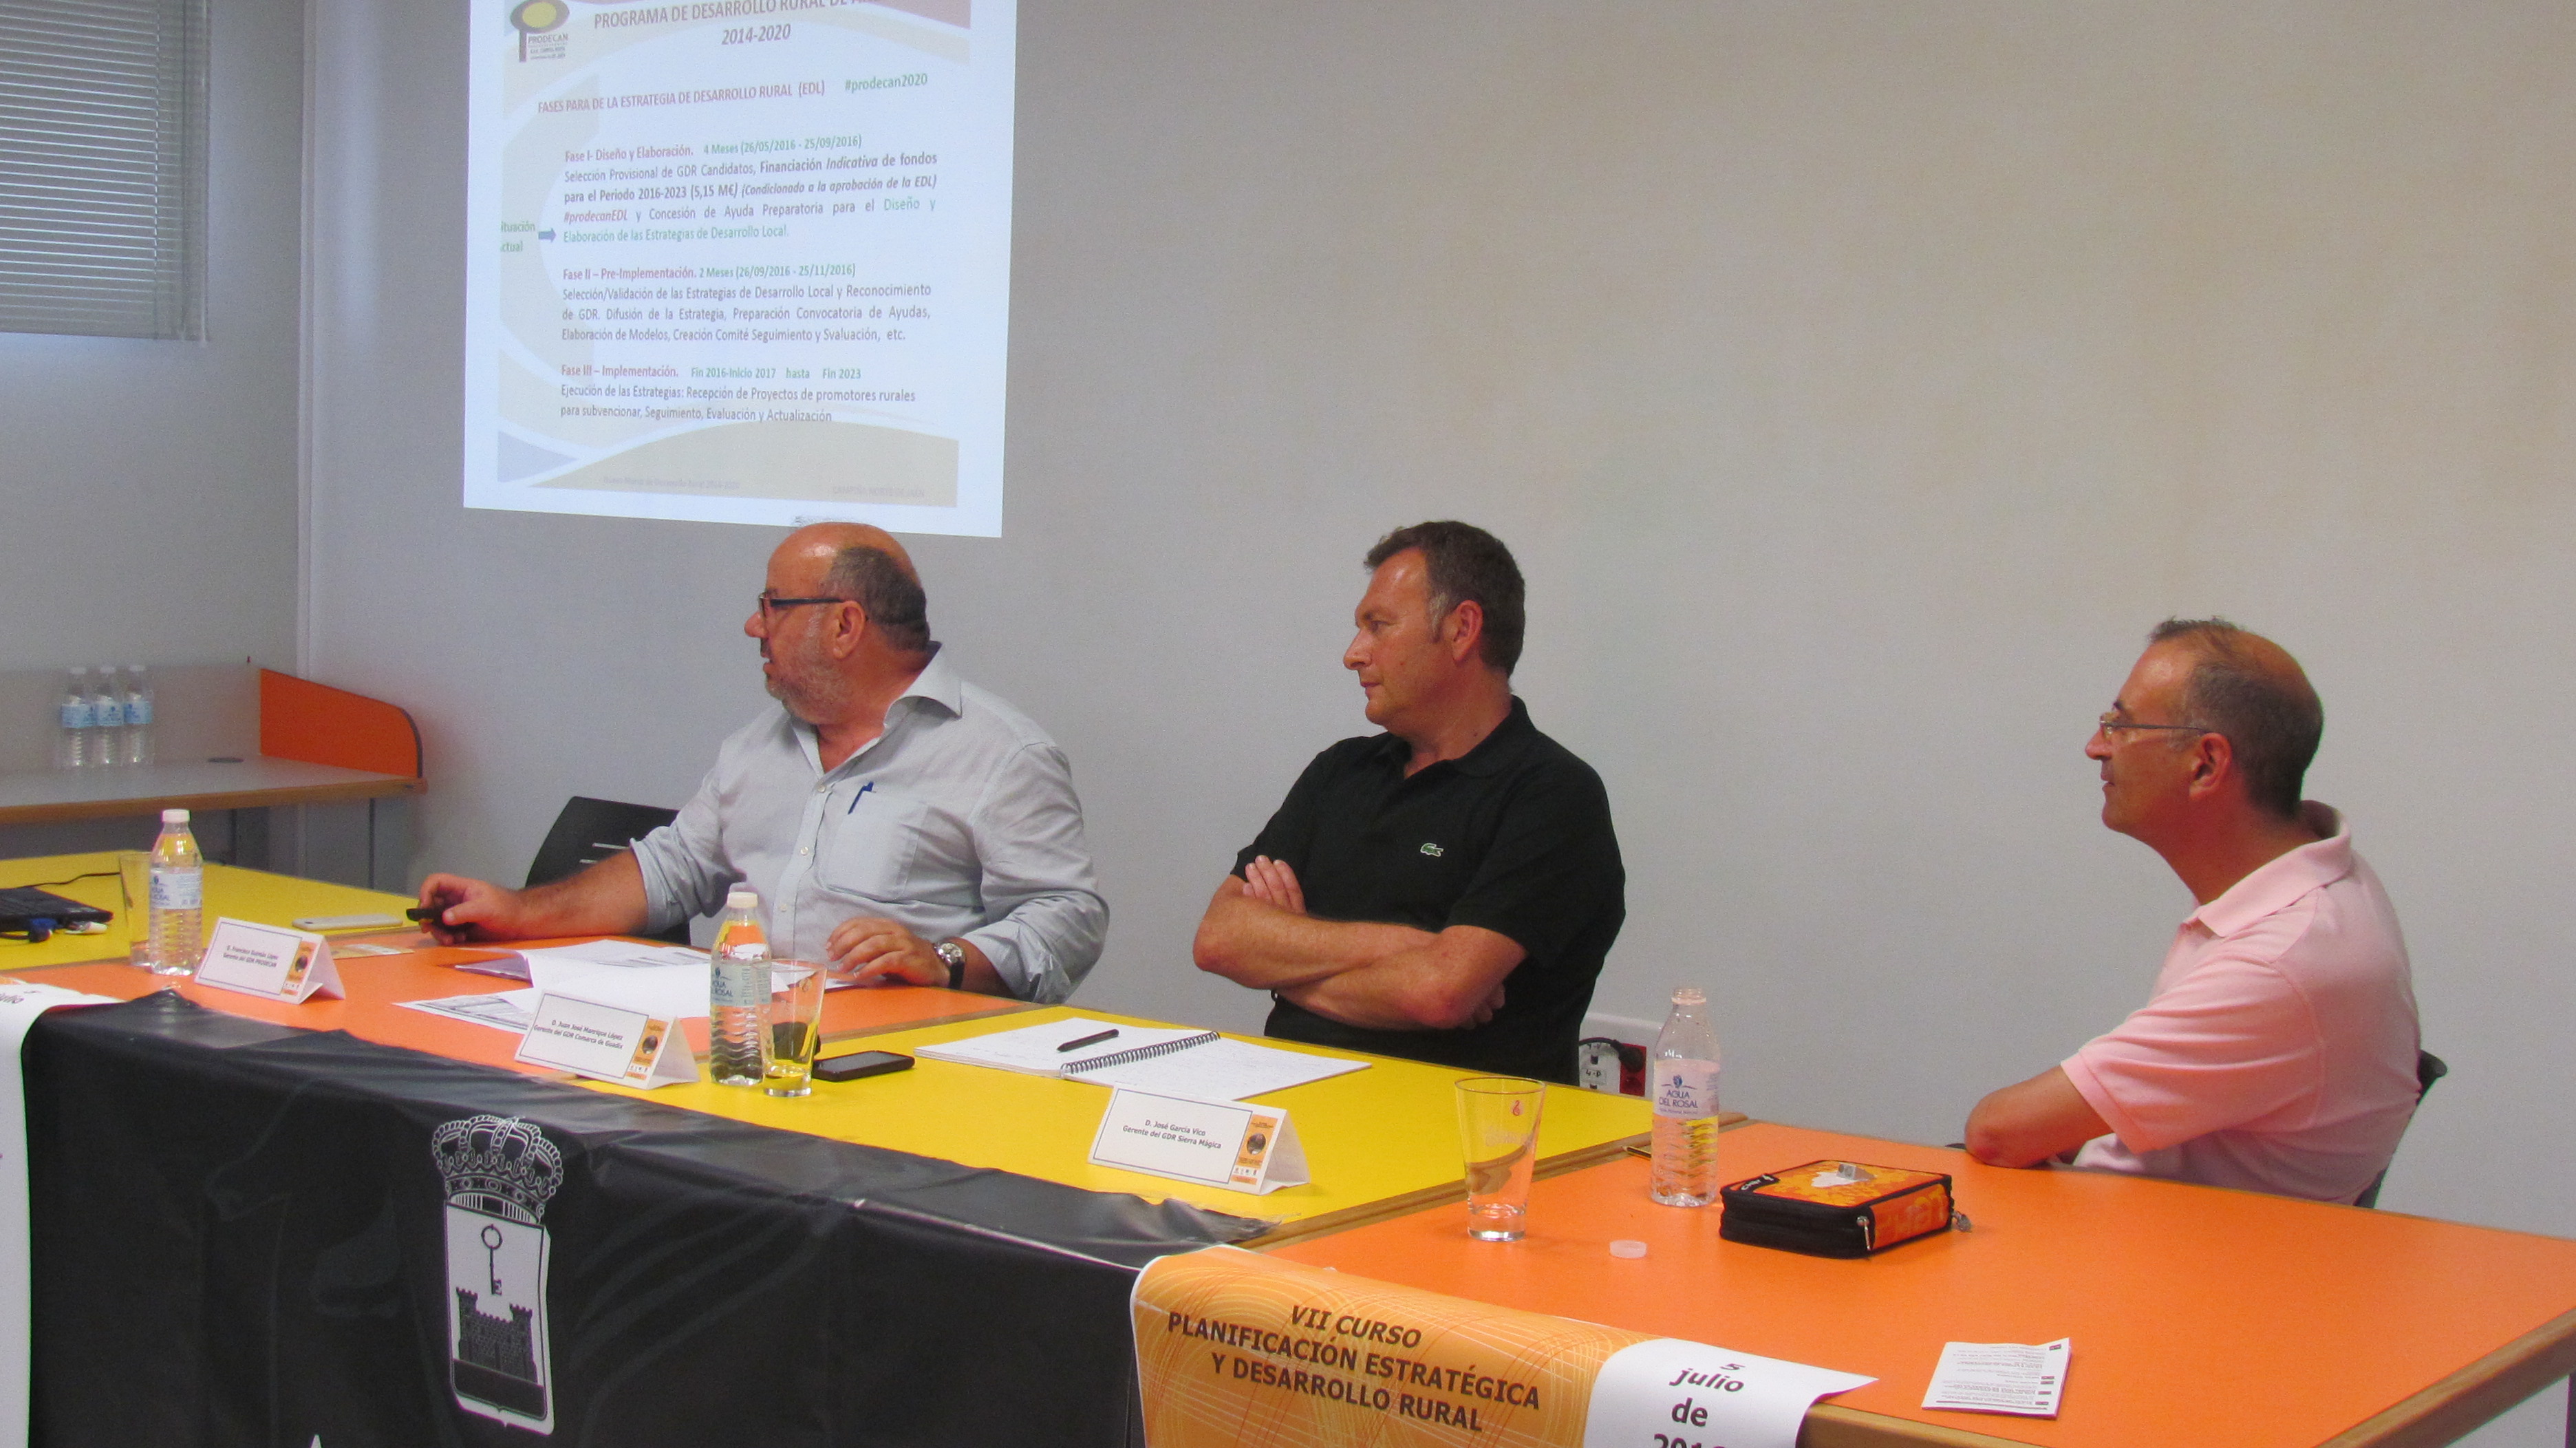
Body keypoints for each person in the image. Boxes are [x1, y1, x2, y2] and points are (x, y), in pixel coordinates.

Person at [417, 523, 1106, 1003]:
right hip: (763, 1043)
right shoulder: (759, 745)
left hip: (917, 1060)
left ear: (844, 625)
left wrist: (949, 960)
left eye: (772, 606)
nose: (754, 626)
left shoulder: (1000, 754)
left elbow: (1066, 916)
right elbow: (673, 869)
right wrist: (516, 912)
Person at [1964, 619, 2421, 1203]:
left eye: (2120, 726)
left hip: (2159, 1267)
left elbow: (2000, 1133)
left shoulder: (2284, 960)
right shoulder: (2328, 876)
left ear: (2206, 763)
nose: (2096, 747)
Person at [1192, 521, 1624, 1083]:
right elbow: (1220, 939)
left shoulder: (1551, 794)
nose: (1353, 654)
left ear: (1462, 629)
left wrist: (1286, 962)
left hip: (1464, 1143)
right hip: (1293, 1120)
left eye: (1378, 627)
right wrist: (1404, 946)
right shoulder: (1341, 771)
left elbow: (1438, 994)